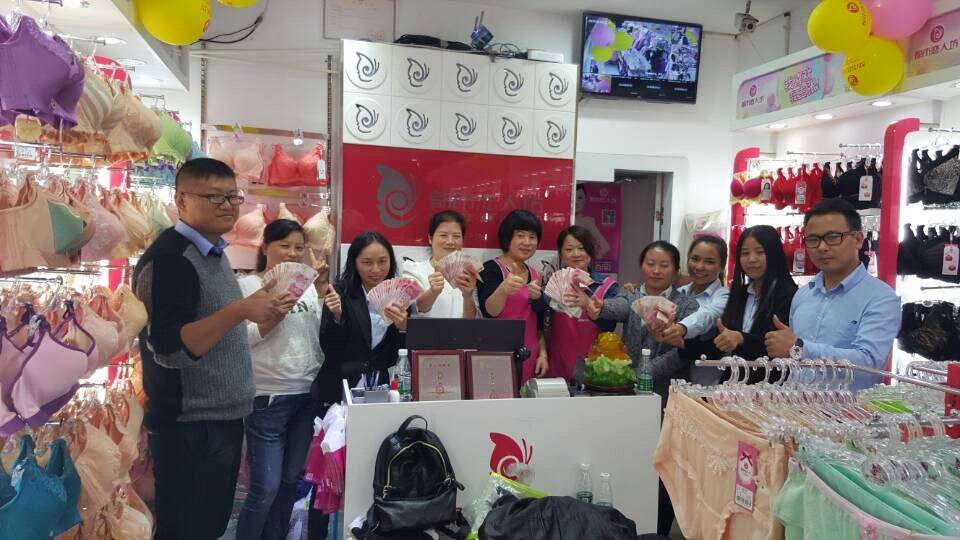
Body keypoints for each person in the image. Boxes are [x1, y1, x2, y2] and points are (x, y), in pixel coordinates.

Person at [132, 158, 287, 540]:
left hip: (218, 420)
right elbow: (169, 349)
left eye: (233, 196)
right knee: (188, 529)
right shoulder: (171, 258)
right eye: (214, 196)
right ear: (181, 200)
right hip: (190, 425)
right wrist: (239, 310)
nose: (227, 205)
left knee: (209, 526)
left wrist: (252, 308)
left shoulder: (211, 253)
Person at [237, 219, 329, 540]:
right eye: (284, 245)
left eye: (299, 247)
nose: (292, 253)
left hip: (306, 396)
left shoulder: (307, 288)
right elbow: (240, 341)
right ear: (265, 247)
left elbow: (316, 340)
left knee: (290, 482)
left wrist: (323, 298)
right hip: (268, 397)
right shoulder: (249, 287)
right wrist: (274, 315)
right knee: (265, 487)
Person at [764, 199, 900, 391]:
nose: (822, 247)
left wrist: (800, 348)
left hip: (850, 409)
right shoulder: (803, 295)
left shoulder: (881, 298)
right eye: (813, 240)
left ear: (858, 239)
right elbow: (794, 362)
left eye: (833, 237)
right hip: (796, 405)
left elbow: (869, 364)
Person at [684, 225, 798, 384]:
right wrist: (681, 342)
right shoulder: (739, 294)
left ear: (774, 254)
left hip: (772, 387)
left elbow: (778, 346)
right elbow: (720, 343)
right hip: (735, 386)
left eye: (760, 252)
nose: (751, 259)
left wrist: (741, 338)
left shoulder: (789, 295)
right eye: (745, 253)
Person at [590, 240, 699, 398]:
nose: (656, 271)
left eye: (664, 265)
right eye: (650, 264)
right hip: (628, 390)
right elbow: (620, 307)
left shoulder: (688, 305)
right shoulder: (630, 294)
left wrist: (642, 373)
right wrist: (602, 307)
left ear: (676, 271)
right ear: (641, 267)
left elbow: (681, 354)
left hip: (668, 392)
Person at [313, 231, 407, 405]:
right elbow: (330, 349)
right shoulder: (340, 293)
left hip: (380, 388)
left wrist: (403, 328)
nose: (376, 269)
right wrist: (337, 316)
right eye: (367, 262)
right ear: (354, 262)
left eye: (382, 261)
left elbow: (396, 355)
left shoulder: (400, 296)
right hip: (340, 387)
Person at [478, 210, 549, 384]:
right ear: (507, 237)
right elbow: (489, 312)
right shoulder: (491, 269)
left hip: (529, 355)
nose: (527, 242)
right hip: (496, 354)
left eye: (532, 237)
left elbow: (539, 324)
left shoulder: (536, 275)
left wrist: (543, 354)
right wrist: (503, 289)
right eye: (520, 235)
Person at [545, 225, 619, 382]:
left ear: (591, 251)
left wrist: (588, 304)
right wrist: (535, 295)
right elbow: (539, 315)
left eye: (582, 248)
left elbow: (610, 326)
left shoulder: (608, 286)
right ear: (561, 254)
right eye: (569, 249)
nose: (576, 254)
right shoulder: (553, 284)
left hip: (595, 367)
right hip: (558, 365)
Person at [403, 210, 480, 319]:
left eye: (456, 236)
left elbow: (472, 320)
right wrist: (433, 292)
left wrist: (468, 297)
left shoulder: (469, 273)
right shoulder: (413, 269)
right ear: (430, 238)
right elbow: (416, 308)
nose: (450, 242)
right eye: (443, 235)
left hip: (461, 331)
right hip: (426, 330)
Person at [660, 236, 730, 347]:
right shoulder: (679, 292)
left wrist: (682, 328)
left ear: (722, 266)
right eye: (695, 259)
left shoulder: (724, 297)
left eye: (709, 262)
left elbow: (708, 315)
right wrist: (636, 292)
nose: (699, 267)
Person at [574, 184, 612, 260]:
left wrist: (596, 257)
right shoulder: (561, 220)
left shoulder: (586, 221)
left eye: (580, 198)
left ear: (585, 200)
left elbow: (605, 246)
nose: (576, 202)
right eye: (573, 198)